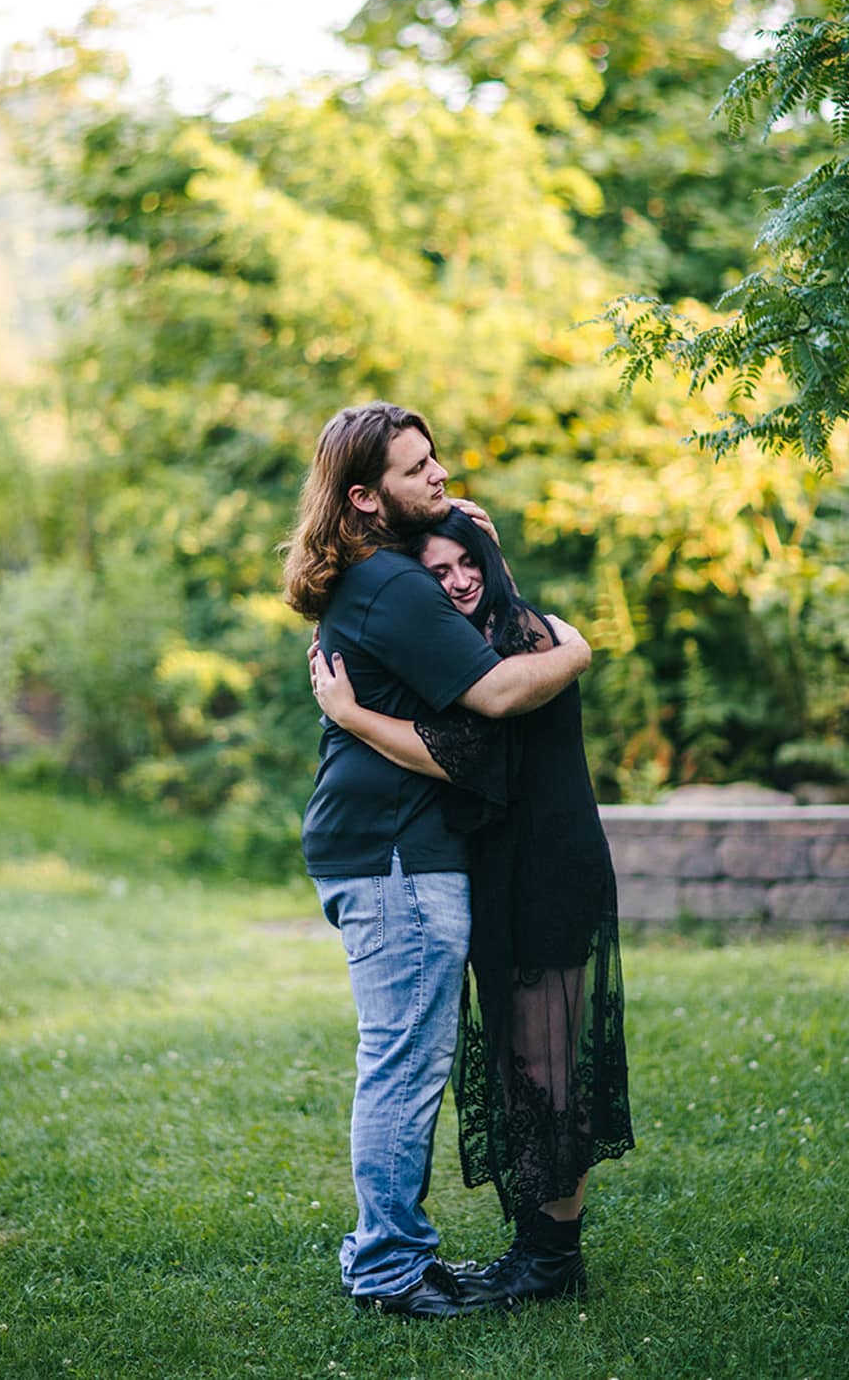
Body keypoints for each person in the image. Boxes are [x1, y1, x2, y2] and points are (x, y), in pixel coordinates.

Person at [282, 403, 593, 1319]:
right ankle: (387, 1268)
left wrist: (484, 562)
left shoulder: (382, 577)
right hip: (393, 857)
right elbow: (497, 692)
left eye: (435, 460)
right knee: (405, 1063)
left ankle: (390, 1254)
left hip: (386, 848)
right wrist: (575, 647)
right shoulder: (393, 585)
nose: (440, 476)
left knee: (402, 1055)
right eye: (417, 470)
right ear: (365, 498)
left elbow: (475, 668)